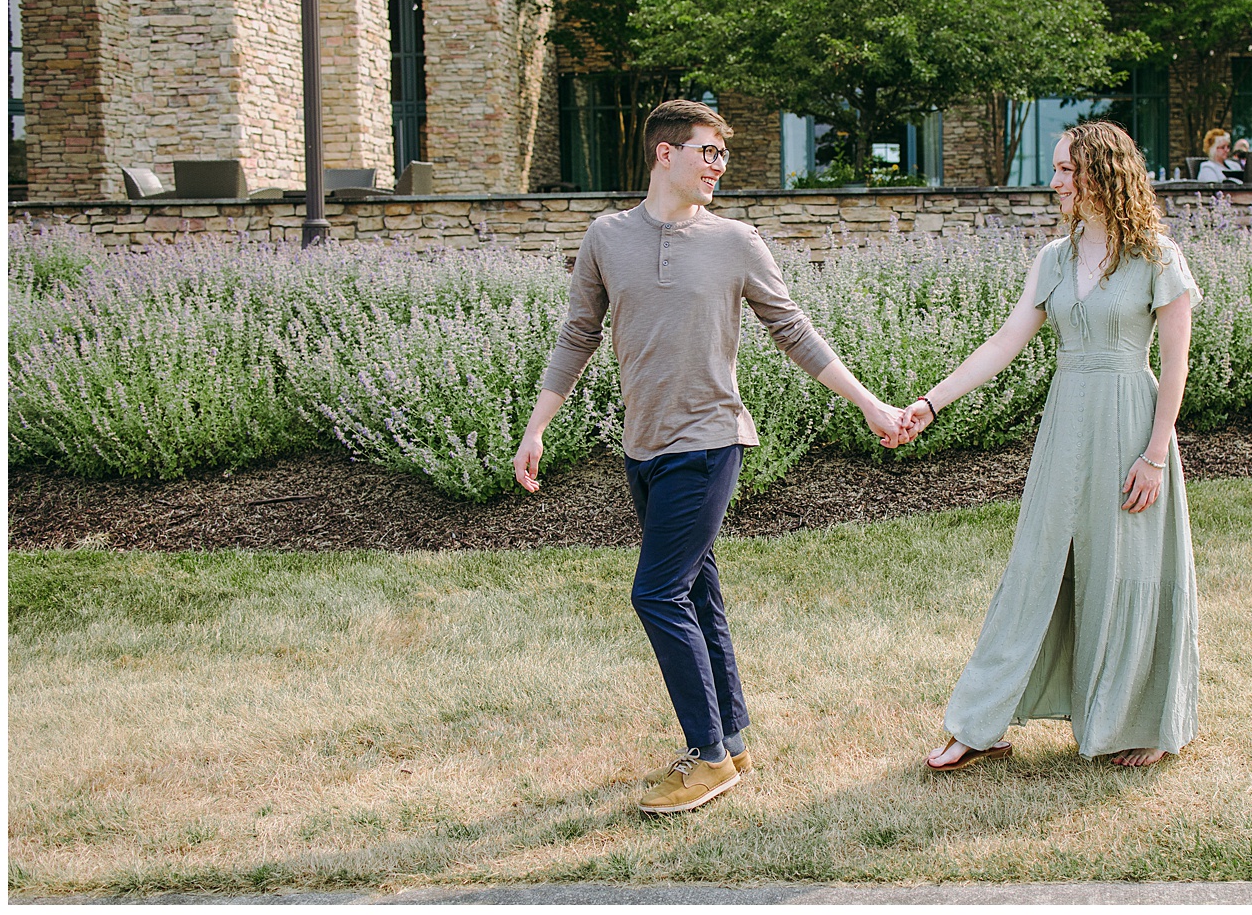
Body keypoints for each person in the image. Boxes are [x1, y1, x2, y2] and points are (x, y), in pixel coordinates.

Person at [512, 99, 906, 814]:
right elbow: (578, 334)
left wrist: (869, 403)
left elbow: (795, 331)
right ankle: (731, 738)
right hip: (644, 447)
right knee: (695, 592)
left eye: (724, 155)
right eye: (707, 152)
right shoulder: (607, 236)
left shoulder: (737, 241)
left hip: (710, 440)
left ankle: (707, 757)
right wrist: (537, 426)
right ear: (665, 153)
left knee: (655, 593)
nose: (718, 166)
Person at [900, 119, 1202, 771]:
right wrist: (931, 402)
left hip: (1132, 428)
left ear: (1104, 174)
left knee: (1129, 572)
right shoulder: (1053, 259)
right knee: (1035, 566)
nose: (1056, 179)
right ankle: (979, 722)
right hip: (1066, 426)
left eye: (1069, 168)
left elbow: (1175, 367)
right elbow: (1003, 344)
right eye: (1060, 168)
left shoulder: (1158, 257)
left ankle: (1139, 722)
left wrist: (1154, 454)